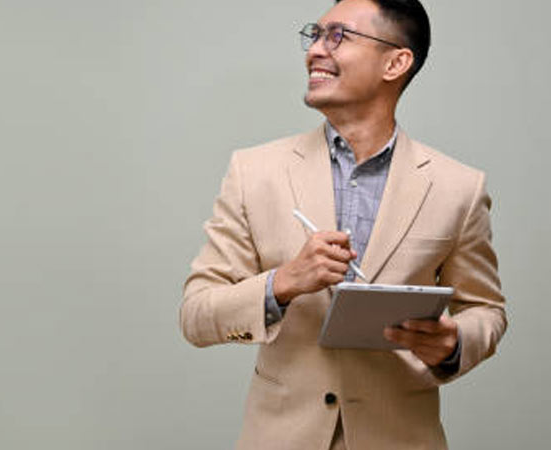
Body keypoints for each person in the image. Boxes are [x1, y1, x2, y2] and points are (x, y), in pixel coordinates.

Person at [180, 0, 507, 448]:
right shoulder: (254, 171)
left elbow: (486, 310)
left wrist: (454, 345)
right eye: (314, 34)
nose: (315, 50)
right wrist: (283, 283)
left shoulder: (459, 187)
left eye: (337, 36)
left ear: (396, 62)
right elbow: (196, 314)